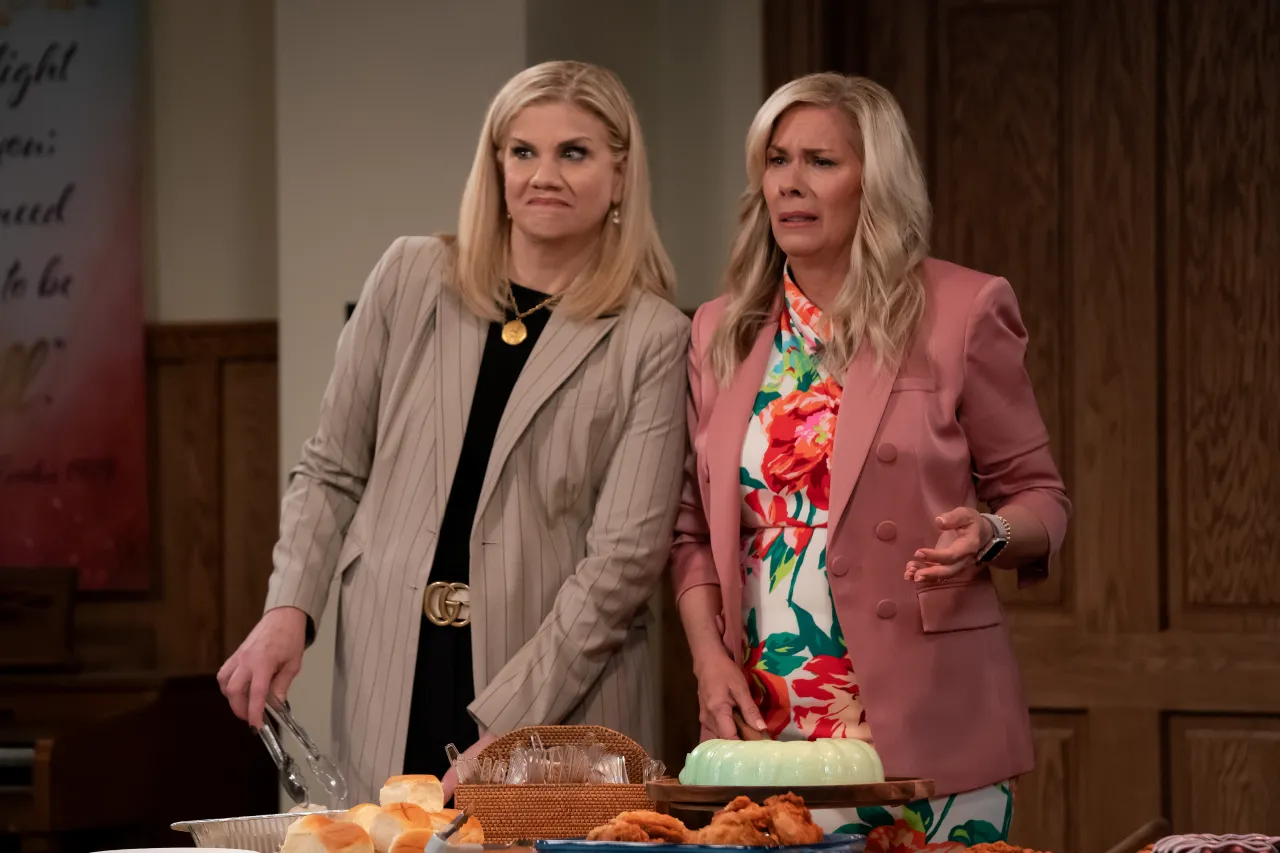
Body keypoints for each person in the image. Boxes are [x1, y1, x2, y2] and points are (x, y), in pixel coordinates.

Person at [218, 60, 690, 805]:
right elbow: (331, 468)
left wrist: (511, 724)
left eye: (574, 152)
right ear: (496, 164)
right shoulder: (409, 277)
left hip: (558, 693)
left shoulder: (652, 335)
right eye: (523, 151)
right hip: (392, 669)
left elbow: (623, 564)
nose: (544, 175)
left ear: (621, 175)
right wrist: (288, 609)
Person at [670, 72, 1070, 850]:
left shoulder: (963, 309)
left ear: (874, 182)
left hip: (924, 719)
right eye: (777, 160)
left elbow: (1041, 497)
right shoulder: (720, 328)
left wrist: (990, 532)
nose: (790, 182)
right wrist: (707, 660)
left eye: (820, 161)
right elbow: (689, 531)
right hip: (762, 718)